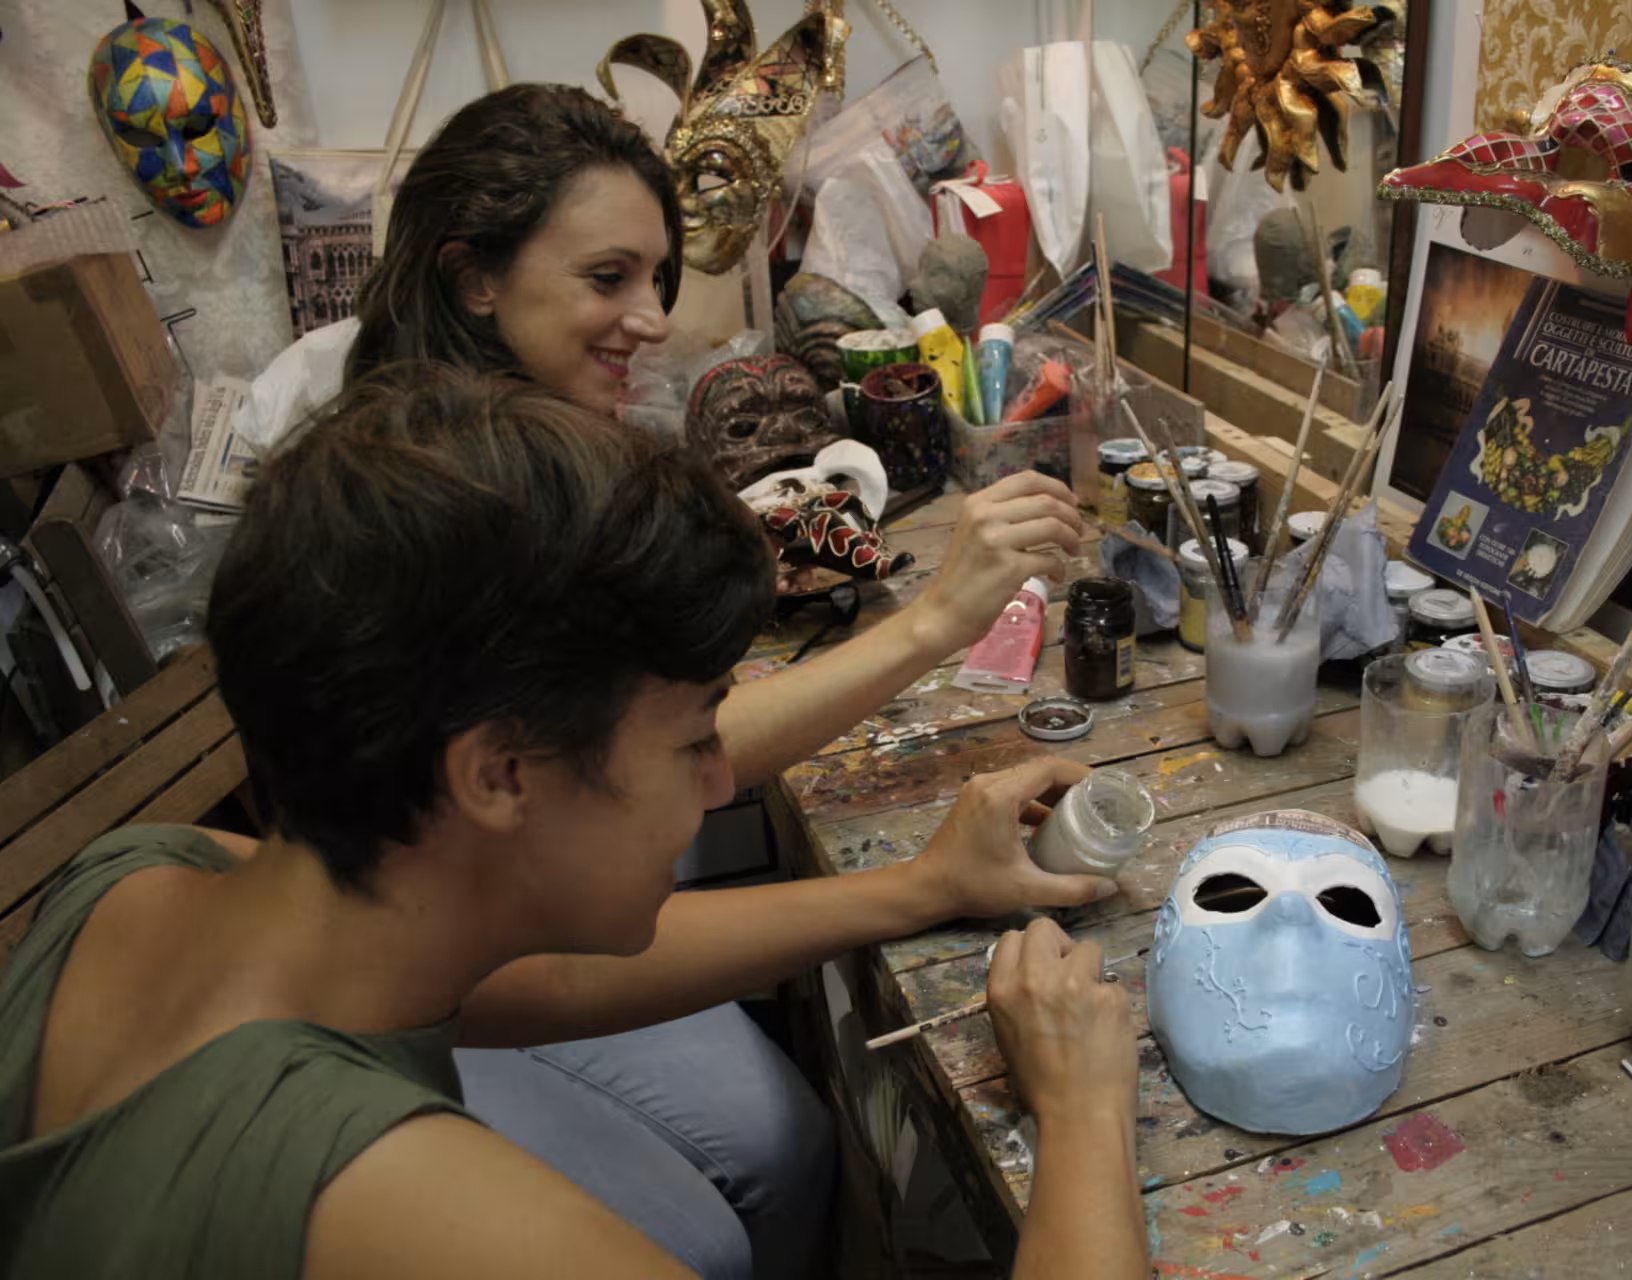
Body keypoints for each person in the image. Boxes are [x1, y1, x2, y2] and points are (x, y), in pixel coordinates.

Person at [0, 370, 1145, 1279]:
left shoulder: (145, 877)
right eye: (695, 734)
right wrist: (1086, 1112)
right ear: (499, 774)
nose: (716, 781)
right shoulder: (395, 1204)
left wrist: (922, 886)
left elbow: (530, 985)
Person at [244, 81, 1092, 1277]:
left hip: (482, 935)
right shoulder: (438, 511)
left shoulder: (531, 445)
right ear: (472, 274)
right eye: (607, 280)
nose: (647, 318)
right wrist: (930, 639)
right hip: (440, 974)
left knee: (789, 1143)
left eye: (658, 280)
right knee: (706, 1231)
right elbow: (518, 949)